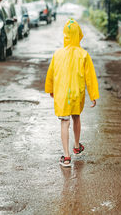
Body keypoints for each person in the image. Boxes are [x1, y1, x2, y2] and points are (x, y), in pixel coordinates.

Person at [45, 19, 99, 167]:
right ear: (79, 35)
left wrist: (50, 89)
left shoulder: (58, 54)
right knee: (76, 117)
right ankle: (76, 146)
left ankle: (67, 157)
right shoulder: (83, 55)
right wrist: (93, 95)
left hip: (62, 94)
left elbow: (51, 74)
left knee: (64, 122)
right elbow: (90, 77)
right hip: (76, 93)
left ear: (65, 36)